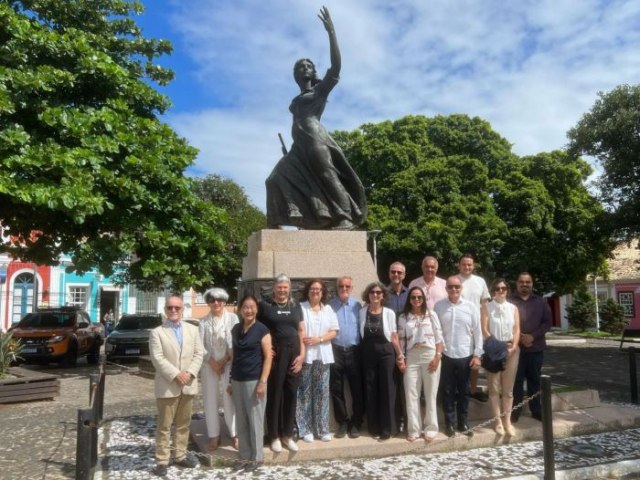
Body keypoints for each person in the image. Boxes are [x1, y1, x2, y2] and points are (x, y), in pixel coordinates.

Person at [265, 6, 367, 230]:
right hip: (298, 146)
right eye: (300, 66)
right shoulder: (298, 97)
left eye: (308, 65)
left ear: (313, 72)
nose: (304, 68)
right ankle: (276, 221)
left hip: (315, 140)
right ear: (296, 75)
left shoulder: (319, 91)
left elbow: (336, 67)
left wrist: (331, 33)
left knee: (327, 176)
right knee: (274, 178)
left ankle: (345, 217)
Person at [149, 296, 204, 477]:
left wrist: (189, 373)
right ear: (165, 309)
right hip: (168, 385)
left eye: (177, 307)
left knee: (183, 424)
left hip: (188, 384)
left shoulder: (193, 329)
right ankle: (162, 460)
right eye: (170, 307)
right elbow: (157, 358)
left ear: (182, 309)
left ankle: (180, 455)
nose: (173, 310)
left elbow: (199, 353)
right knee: (164, 425)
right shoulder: (157, 332)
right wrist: (176, 374)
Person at [257, 274, 304, 453]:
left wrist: (302, 355)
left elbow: (301, 330)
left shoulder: (295, 305)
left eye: (285, 287)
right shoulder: (266, 306)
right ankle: (274, 435)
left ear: (289, 288)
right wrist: (266, 350)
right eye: (279, 287)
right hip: (276, 355)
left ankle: (287, 434)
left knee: (291, 393)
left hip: (294, 354)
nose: (282, 290)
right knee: (275, 394)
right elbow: (258, 330)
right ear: (274, 287)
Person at [228, 295, 272, 472]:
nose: (249, 310)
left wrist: (263, 382)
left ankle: (257, 457)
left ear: (256, 309)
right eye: (245, 307)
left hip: (254, 380)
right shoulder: (236, 329)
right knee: (242, 419)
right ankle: (244, 455)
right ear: (240, 310)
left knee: (255, 420)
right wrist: (231, 379)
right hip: (238, 379)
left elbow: (269, 356)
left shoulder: (262, 330)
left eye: (252, 307)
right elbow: (234, 357)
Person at [434, 276, 482, 438]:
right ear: (446, 288)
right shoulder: (439, 306)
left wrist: (477, 355)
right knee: (447, 391)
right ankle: (450, 424)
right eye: (450, 287)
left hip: (465, 355)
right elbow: (436, 331)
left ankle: (463, 422)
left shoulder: (470, 307)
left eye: (457, 287)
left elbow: (478, 332)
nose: (454, 290)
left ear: (461, 288)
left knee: (464, 391)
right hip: (446, 355)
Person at [398, 286, 444, 442]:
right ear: (409, 299)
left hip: (429, 354)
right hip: (411, 356)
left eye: (419, 297)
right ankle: (414, 429)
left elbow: (439, 338)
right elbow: (401, 341)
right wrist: (401, 359)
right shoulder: (403, 317)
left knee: (431, 393)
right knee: (411, 394)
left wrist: (438, 357)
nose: (416, 300)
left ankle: (431, 428)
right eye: (413, 297)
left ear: (424, 299)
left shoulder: (431, 315)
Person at [359, 281, 404, 440]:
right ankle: (374, 426)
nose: (375, 295)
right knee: (371, 388)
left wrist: (399, 355)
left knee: (388, 388)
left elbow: (393, 336)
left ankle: (388, 427)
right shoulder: (362, 311)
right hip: (368, 353)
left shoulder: (389, 313)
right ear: (368, 295)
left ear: (383, 295)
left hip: (386, 353)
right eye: (372, 292)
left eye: (379, 292)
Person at [296, 279, 339, 442]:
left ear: (323, 293)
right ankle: (305, 428)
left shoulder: (328, 310)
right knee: (304, 392)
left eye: (318, 289)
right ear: (308, 291)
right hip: (306, 356)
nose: (315, 291)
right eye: (313, 289)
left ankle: (322, 428)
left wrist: (319, 339)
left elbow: (334, 331)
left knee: (322, 392)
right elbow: (299, 330)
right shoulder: (301, 308)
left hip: (323, 355)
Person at [198, 287, 238, 451]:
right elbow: (199, 346)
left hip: (229, 364)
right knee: (210, 399)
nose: (216, 303)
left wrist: (225, 360)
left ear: (224, 301)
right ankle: (214, 435)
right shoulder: (203, 322)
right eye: (212, 300)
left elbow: (237, 342)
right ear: (208, 302)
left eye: (219, 300)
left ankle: (235, 434)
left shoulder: (233, 318)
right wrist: (213, 362)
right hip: (210, 366)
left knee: (230, 400)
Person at [511, 272, 552, 423]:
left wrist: (532, 336)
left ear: (532, 284)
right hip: (516, 349)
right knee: (516, 381)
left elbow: (547, 323)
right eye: (521, 282)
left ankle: (536, 410)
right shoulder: (510, 302)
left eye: (528, 282)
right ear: (517, 284)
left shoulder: (541, 302)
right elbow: (507, 323)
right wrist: (521, 338)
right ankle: (515, 411)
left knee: (535, 380)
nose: (525, 284)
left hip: (536, 348)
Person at [482, 278, 520, 436]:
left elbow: (517, 329)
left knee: (508, 390)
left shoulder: (513, 308)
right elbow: (484, 329)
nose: (500, 291)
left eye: (503, 288)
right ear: (493, 291)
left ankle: (507, 421)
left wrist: (513, 346)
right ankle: (497, 421)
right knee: (494, 388)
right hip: (494, 350)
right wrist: (497, 347)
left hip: (511, 349)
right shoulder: (486, 307)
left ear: (507, 290)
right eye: (497, 288)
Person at [328, 276, 364, 439]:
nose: (344, 288)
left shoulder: (358, 306)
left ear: (351, 287)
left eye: (347, 286)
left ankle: (356, 422)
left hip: (354, 351)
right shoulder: (329, 306)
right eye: (341, 286)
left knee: (357, 388)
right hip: (335, 350)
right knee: (336, 388)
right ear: (337, 288)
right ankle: (342, 422)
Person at [456, 254, 491, 403]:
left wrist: (484, 327)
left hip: (476, 328)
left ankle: (473, 390)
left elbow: (484, 306)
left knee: (475, 360)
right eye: (464, 264)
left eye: (469, 264)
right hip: (459, 327)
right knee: (459, 360)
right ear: (459, 265)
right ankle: (459, 390)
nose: (467, 267)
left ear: (473, 266)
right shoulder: (454, 281)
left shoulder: (480, 281)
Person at [385, 261, 409, 434]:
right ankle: (395, 420)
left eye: (399, 273)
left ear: (404, 275)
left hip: (410, 344)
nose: (396, 275)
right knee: (393, 385)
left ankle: (409, 422)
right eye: (393, 272)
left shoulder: (411, 294)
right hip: (389, 346)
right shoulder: (382, 294)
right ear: (389, 273)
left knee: (408, 386)